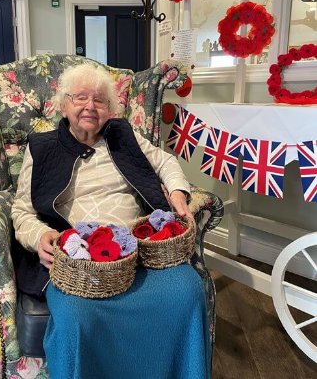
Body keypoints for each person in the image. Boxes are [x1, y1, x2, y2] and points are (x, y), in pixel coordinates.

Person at [12, 63, 212, 379]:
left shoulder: (123, 135)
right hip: (79, 262)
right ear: (64, 104)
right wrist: (41, 236)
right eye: (80, 98)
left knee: (186, 290)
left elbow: (166, 162)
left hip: (141, 252)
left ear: (109, 108)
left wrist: (177, 194)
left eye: (100, 100)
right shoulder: (42, 148)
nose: (90, 106)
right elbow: (22, 212)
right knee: (78, 314)